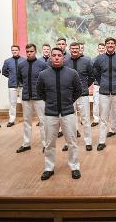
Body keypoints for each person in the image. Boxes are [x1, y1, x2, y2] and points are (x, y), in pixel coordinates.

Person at [37, 47, 82, 180]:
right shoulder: (43, 75)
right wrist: (51, 102)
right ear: (50, 57)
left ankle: (74, 167)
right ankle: (49, 168)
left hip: (68, 112)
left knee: (72, 142)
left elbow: (78, 91)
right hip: (51, 113)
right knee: (49, 143)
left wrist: (68, 102)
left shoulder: (72, 73)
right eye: (54, 55)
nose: (56, 57)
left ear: (63, 57)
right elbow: (40, 92)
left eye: (59, 55)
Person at [93, 37, 116, 151]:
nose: (110, 45)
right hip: (103, 92)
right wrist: (102, 83)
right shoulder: (99, 59)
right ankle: (102, 142)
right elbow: (96, 74)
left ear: (114, 45)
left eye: (112, 43)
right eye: (108, 43)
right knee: (103, 117)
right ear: (105, 45)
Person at [16, 44, 48, 153]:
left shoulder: (42, 65)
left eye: (31, 51)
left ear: (35, 51)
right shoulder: (21, 65)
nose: (29, 53)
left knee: (43, 120)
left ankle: (45, 144)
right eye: (27, 51)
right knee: (26, 121)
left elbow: (47, 79)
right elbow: (20, 79)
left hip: (39, 97)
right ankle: (26, 144)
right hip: (26, 96)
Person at [64, 42, 95, 151]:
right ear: (70, 49)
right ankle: (69, 142)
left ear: (80, 49)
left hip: (83, 94)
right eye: (72, 49)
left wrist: (84, 86)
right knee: (69, 120)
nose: (74, 50)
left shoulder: (86, 61)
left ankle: (88, 141)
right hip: (69, 96)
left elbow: (92, 75)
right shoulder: (65, 61)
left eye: (76, 48)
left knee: (85, 119)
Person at [2, 45, 26, 127]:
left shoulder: (24, 60)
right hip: (12, 85)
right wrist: (12, 77)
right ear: (11, 51)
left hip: (23, 85)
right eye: (13, 50)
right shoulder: (7, 61)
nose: (14, 51)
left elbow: (26, 71)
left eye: (16, 50)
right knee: (12, 103)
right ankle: (11, 120)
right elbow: (4, 72)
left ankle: (26, 119)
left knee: (25, 102)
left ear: (19, 50)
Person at [91, 43, 106, 127]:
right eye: (99, 48)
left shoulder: (108, 59)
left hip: (106, 84)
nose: (101, 49)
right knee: (96, 102)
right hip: (97, 84)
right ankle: (96, 119)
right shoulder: (93, 60)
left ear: (105, 49)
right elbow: (92, 73)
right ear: (97, 49)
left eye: (102, 48)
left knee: (105, 103)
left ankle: (104, 118)